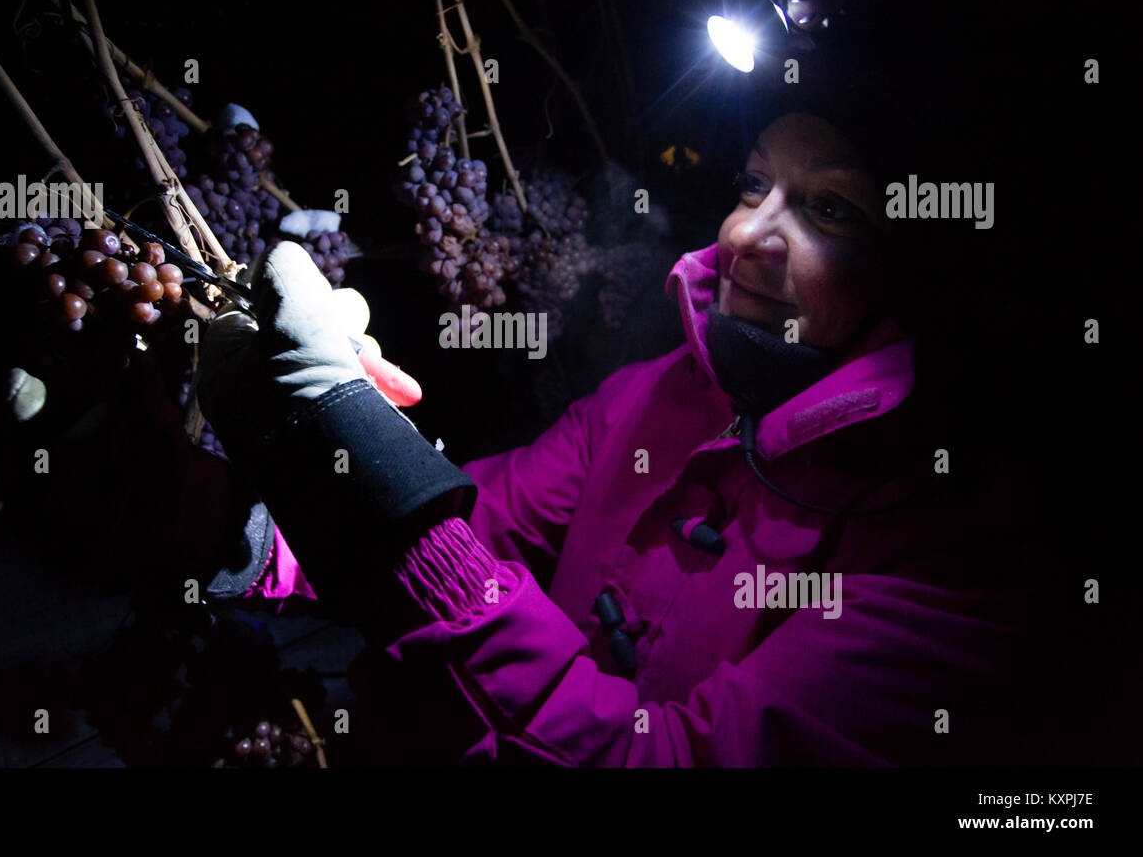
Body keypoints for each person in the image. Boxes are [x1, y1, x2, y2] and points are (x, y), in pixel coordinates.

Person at [197, 108, 1038, 767]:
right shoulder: (656, 398)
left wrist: (346, 422)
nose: (744, 235)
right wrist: (257, 519)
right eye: (753, 183)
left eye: (828, 207)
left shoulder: (953, 554)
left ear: (917, 269)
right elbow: (481, 526)